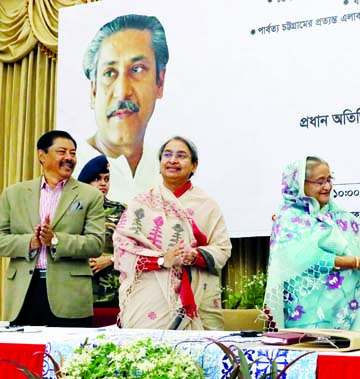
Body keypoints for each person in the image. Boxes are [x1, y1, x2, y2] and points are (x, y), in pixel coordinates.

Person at [114, 136, 231, 330]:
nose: (173, 160)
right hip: (150, 290)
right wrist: (161, 259)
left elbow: (222, 249)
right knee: (145, 354)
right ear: (159, 164)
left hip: (197, 289)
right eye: (167, 155)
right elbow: (123, 249)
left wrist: (196, 256)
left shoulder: (207, 204)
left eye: (181, 156)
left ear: (194, 165)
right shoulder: (142, 203)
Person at [264, 157, 360, 331]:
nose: (327, 187)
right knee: (311, 354)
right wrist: (355, 262)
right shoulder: (289, 217)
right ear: (300, 184)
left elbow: (352, 252)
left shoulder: (338, 215)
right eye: (320, 182)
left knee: (349, 355)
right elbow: (306, 258)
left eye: (329, 180)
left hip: (345, 311)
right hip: (307, 313)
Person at [0, 130, 105, 327]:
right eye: (62, 152)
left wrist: (55, 240)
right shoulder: (14, 194)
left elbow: (96, 244)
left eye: (73, 153)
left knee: (67, 357)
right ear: (42, 155)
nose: (69, 158)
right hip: (24, 293)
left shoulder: (90, 195)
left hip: (69, 294)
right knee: (22, 356)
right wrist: (31, 242)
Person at [76, 14, 169, 203]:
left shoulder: (167, 168)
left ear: (160, 82)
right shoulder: (71, 166)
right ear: (94, 90)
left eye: (137, 69)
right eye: (109, 73)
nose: (121, 92)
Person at [77, 155, 127, 307]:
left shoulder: (122, 210)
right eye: (97, 179)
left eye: (106, 179)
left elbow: (135, 249)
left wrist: (110, 259)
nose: (103, 184)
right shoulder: (71, 211)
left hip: (113, 293)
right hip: (78, 291)